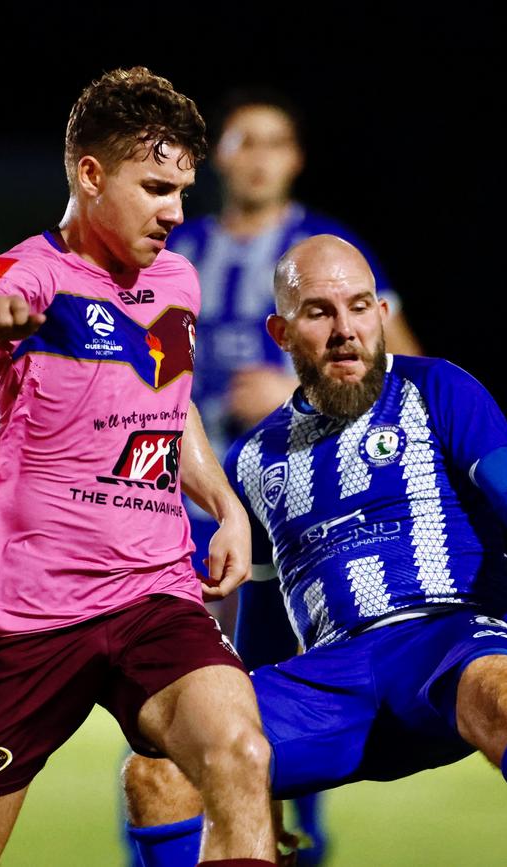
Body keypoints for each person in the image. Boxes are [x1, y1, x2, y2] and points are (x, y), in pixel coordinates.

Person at [122, 234, 507, 866]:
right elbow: (262, 616)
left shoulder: (437, 388)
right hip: (333, 685)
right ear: (282, 332)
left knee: (505, 689)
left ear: (381, 314)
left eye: (360, 306)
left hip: (446, 644)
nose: (346, 329)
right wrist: (252, 780)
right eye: (320, 312)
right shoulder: (252, 460)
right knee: (158, 770)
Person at [0, 66, 279, 867]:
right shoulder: (33, 276)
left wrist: (223, 502)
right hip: (29, 615)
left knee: (241, 755)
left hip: (154, 591)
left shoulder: (175, 280)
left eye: (186, 188)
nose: (176, 212)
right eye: (156, 187)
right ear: (90, 174)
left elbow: (169, 402)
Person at [166, 87, 423, 863]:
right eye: (245, 142)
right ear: (222, 159)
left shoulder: (327, 246)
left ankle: (288, 845)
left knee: (292, 692)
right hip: (189, 511)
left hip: (303, 512)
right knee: (175, 700)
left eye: (274, 142)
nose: (259, 157)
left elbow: (402, 366)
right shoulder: (180, 250)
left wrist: (298, 391)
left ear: (295, 159)